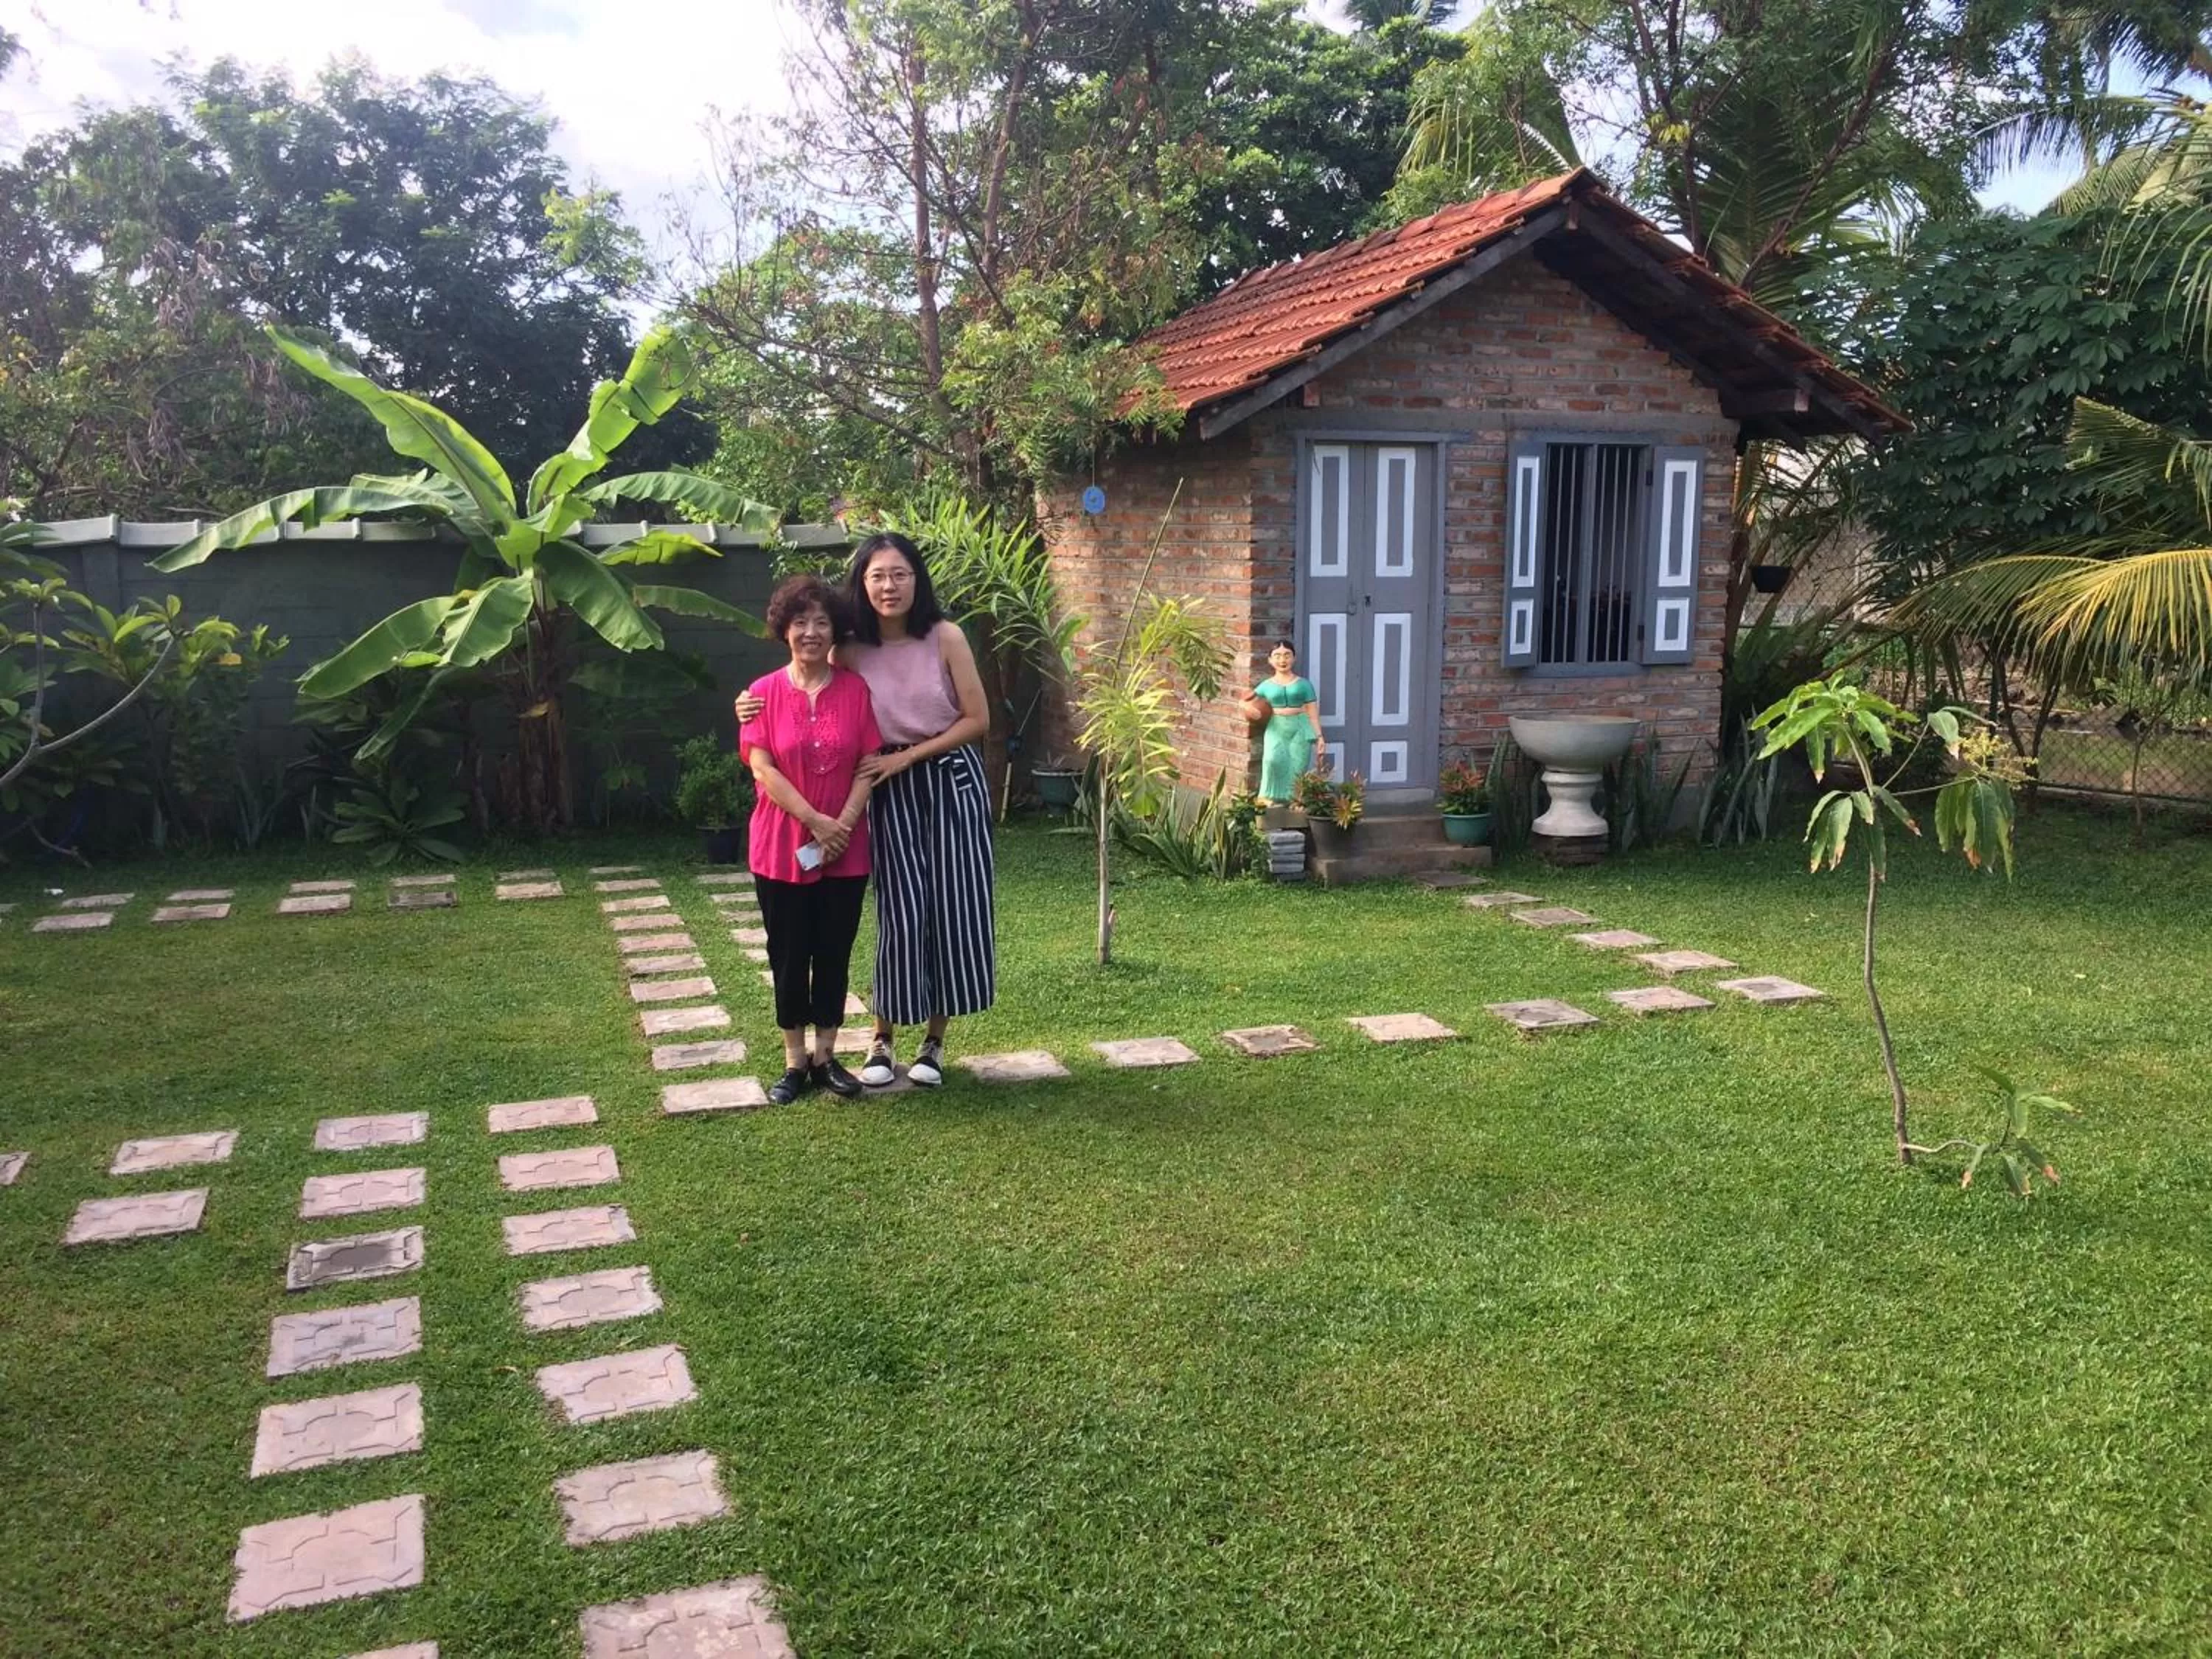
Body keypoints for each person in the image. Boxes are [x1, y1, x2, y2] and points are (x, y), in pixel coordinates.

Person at [732, 532, 994, 1088]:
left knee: (952, 908)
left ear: (917, 579)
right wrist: (745, 703)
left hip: (945, 779)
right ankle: (880, 1041)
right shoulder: (847, 647)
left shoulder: (945, 636)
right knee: (898, 913)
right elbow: (799, 685)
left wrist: (907, 760)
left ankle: (934, 1043)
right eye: (877, 575)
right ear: (863, 583)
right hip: (881, 783)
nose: (889, 585)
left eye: (900, 574)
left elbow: (977, 719)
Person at [737, 574, 881, 1105]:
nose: (811, 632)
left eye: (822, 622)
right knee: (789, 954)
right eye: (801, 622)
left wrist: (842, 822)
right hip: (780, 847)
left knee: (834, 951)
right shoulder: (760, 695)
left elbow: (868, 763)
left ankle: (827, 1056)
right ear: (784, 629)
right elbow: (762, 768)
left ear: (835, 630)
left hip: (847, 850)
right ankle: (794, 1061)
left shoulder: (855, 690)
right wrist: (817, 822)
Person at [1245, 641, 1324, 804]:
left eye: (1287, 655)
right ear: (1270, 660)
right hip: (1277, 726)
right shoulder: (1266, 685)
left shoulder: (1304, 685)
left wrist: (1319, 736)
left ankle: (1296, 800)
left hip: (1299, 726)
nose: (1283, 660)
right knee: (1271, 760)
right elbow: (1246, 699)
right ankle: (1267, 797)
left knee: (1298, 764)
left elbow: (1313, 713)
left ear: (1294, 658)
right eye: (1278, 656)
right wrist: (1246, 707)